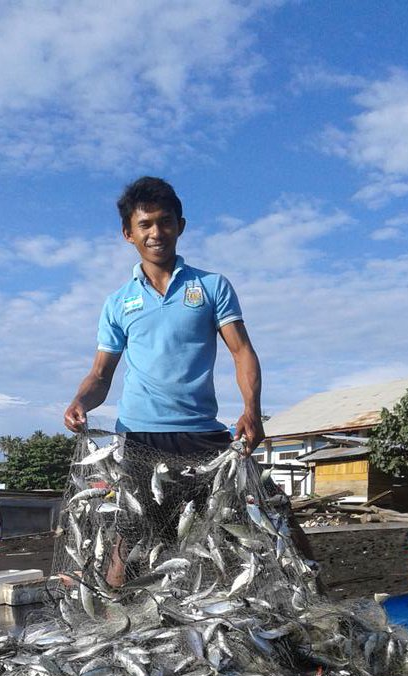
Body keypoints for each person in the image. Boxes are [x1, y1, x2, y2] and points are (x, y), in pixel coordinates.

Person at [63, 176, 264, 583]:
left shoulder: (211, 286)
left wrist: (251, 410)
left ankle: (313, 598)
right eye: (145, 224)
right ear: (128, 233)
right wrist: (80, 402)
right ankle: (113, 612)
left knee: (260, 517)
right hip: (140, 437)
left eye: (165, 221)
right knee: (130, 541)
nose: (156, 232)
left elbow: (241, 350)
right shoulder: (118, 302)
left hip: (203, 435)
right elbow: (101, 374)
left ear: (180, 226)